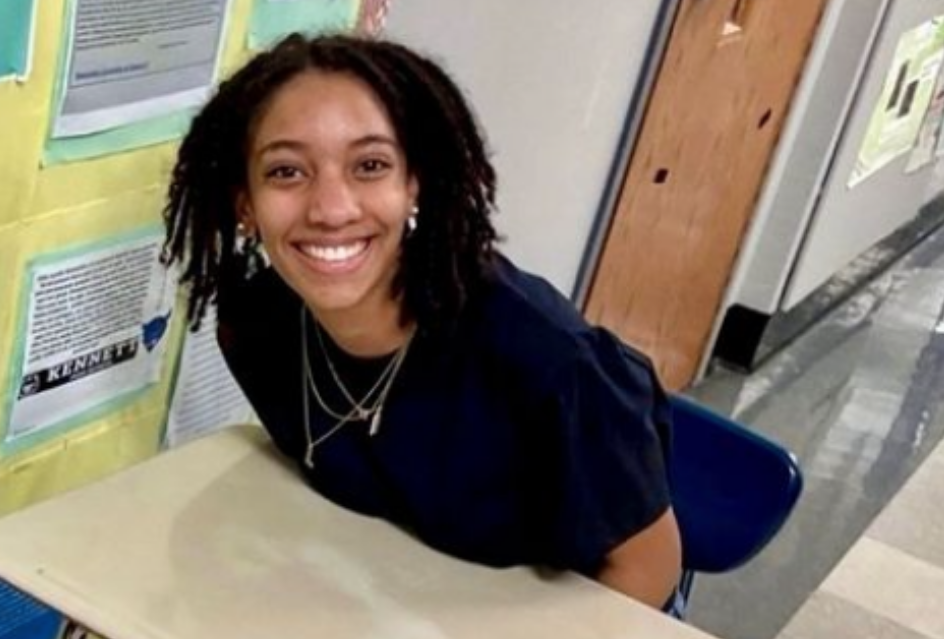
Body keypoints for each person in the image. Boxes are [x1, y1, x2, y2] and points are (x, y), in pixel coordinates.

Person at [162, 33, 682, 609]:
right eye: (287, 172)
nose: (331, 209)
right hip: (385, 609)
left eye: (370, 165)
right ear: (245, 205)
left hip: (542, 633)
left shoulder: (549, 362)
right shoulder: (258, 325)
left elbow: (646, 568)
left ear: (414, 185)